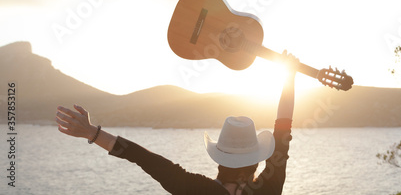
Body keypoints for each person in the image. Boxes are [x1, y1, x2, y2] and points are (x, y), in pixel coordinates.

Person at [56, 52, 299, 195]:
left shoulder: (197, 190)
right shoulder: (268, 187)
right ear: (255, 159)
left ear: (220, 158)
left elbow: (143, 157)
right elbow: (283, 131)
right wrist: (290, 76)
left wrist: (92, 132)